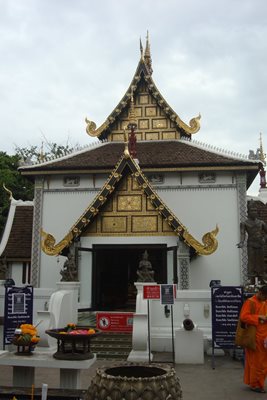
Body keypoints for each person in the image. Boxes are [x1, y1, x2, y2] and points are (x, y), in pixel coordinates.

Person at [239, 285, 267, 393]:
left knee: (262, 362)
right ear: (260, 293)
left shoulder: (265, 301)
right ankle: (255, 384)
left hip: (264, 337)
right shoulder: (250, 302)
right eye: (264, 296)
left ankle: (256, 383)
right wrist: (259, 317)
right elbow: (244, 317)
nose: (265, 299)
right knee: (257, 363)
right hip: (255, 337)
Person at [237, 201, 267, 281]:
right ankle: (251, 278)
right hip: (251, 244)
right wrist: (242, 242)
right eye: (252, 210)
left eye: (255, 210)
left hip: (260, 243)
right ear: (248, 212)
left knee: (261, 261)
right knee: (251, 262)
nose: (254, 212)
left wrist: (264, 239)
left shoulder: (261, 223)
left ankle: (262, 277)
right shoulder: (244, 223)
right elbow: (242, 233)